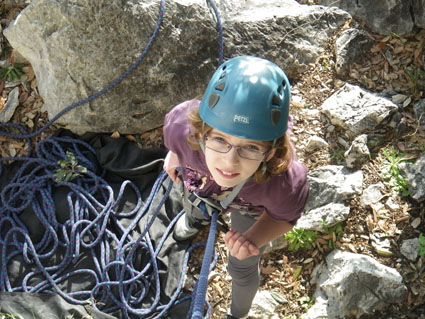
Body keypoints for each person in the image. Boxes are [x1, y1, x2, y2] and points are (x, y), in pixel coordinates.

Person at [163, 55, 309, 319]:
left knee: (242, 265)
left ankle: (237, 315)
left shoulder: (283, 183)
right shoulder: (180, 130)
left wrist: (252, 238)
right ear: (200, 132)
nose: (230, 163)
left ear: (270, 151)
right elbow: (175, 140)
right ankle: (195, 220)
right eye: (220, 139)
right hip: (202, 183)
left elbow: (283, 217)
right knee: (195, 202)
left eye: (251, 146)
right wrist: (175, 155)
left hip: (253, 207)